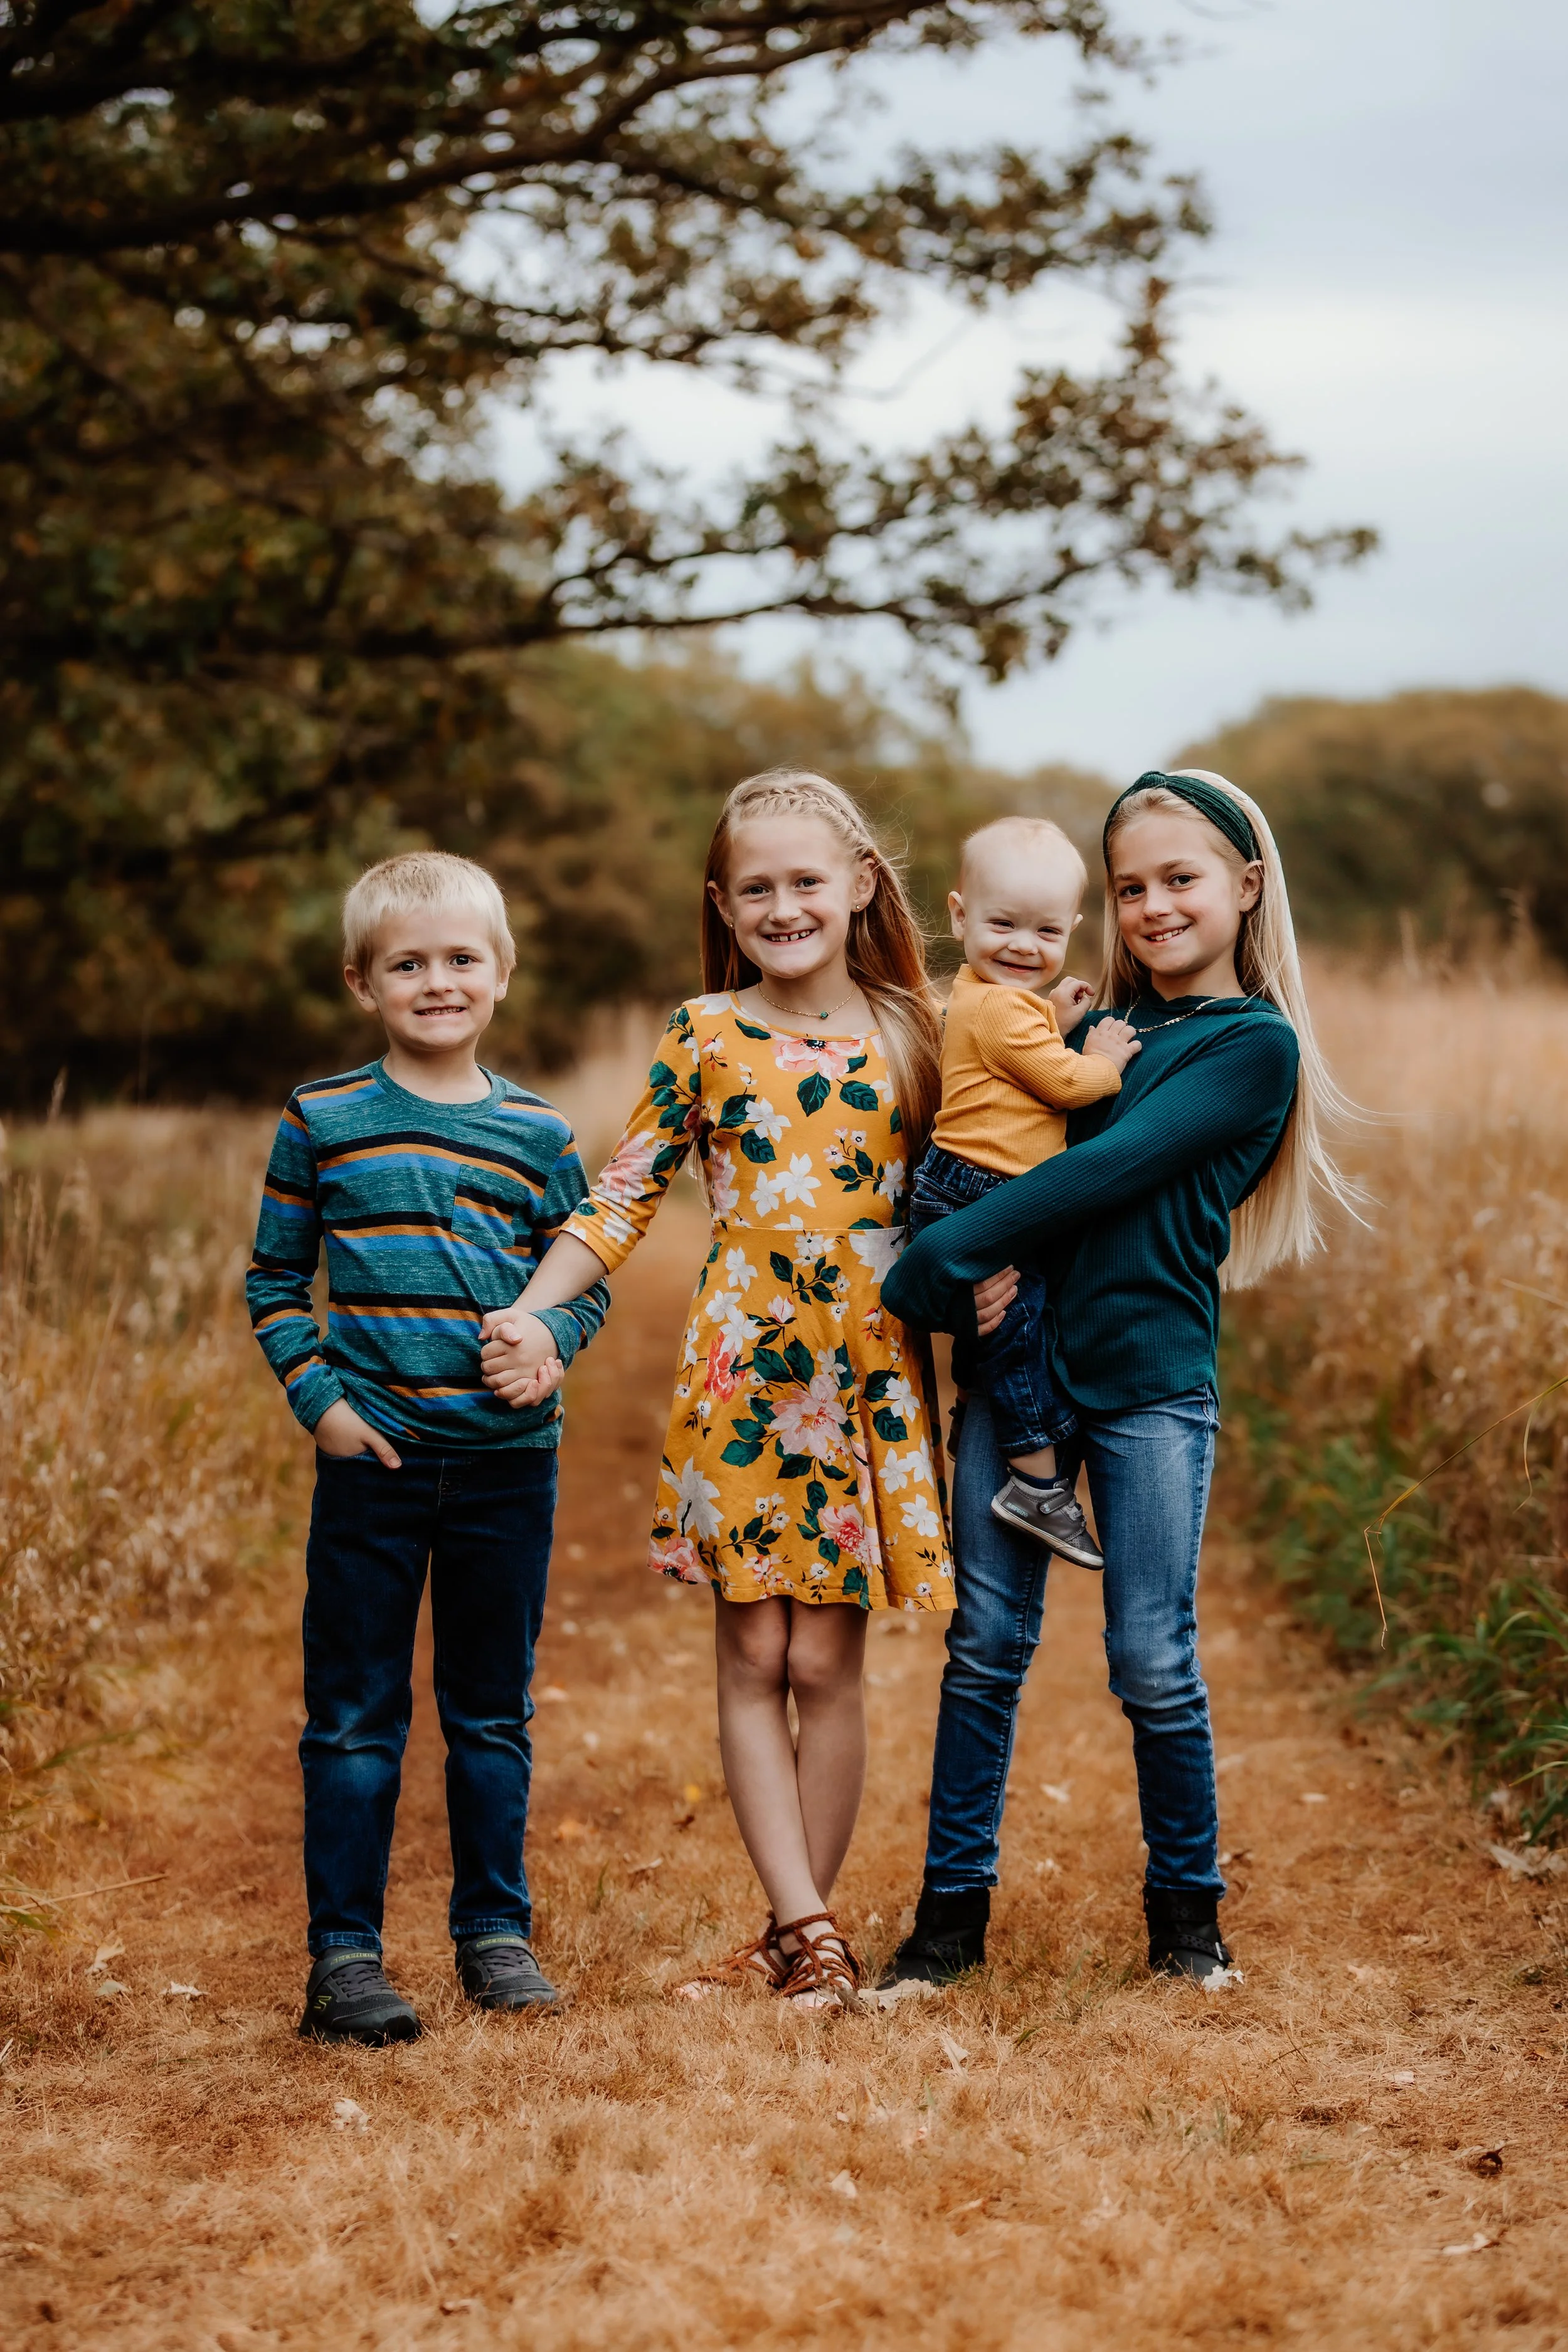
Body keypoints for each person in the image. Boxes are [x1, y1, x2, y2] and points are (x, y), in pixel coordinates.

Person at [478, 770, 951, 2009]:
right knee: (751, 1648)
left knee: (825, 1663)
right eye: (758, 888)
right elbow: (626, 1189)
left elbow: (989, 1185)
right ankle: (809, 1932)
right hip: (741, 1369)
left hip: (861, 1371)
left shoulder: (917, 1033)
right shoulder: (703, 1034)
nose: (784, 905)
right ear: (723, 903)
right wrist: (533, 1304)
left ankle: (799, 1938)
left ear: (858, 885)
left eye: (807, 881)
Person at [879, 770, 1353, 1987]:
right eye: (1131, 885)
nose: (1151, 905)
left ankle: (1185, 1923)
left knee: (1150, 1658)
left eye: (1179, 879)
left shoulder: (1249, 1047)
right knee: (984, 1643)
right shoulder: (1080, 1029)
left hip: (1147, 1380)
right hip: (1019, 1366)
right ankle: (945, 1927)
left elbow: (1103, 1172)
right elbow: (990, 1135)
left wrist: (941, 1256)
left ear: (1245, 889)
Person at [246, 851, 608, 2045]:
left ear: (501, 974)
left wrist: (552, 1333)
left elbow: (584, 1278)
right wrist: (323, 1403)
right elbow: (274, 1281)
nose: (438, 981)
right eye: (409, 962)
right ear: (364, 982)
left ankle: (493, 1935)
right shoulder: (326, 1118)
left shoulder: (539, 1133)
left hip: (510, 1465)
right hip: (374, 1465)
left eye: (462, 959)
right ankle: (345, 1960)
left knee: (490, 1710)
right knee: (354, 1715)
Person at [911, 815, 1141, 1567]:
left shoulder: (979, 997)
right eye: (1001, 924)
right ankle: (1034, 1483)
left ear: (1071, 929)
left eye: (1045, 933)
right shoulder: (1006, 1009)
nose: (1022, 946)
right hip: (983, 1191)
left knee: (1007, 1326)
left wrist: (1055, 1015)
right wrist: (1101, 1055)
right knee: (1014, 1332)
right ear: (958, 916)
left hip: (967, 1184)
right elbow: (1060, 1082)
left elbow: (1015, 1044)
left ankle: (1004, 1436)